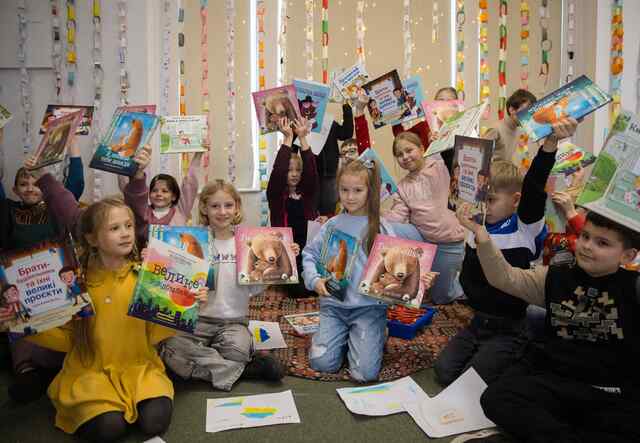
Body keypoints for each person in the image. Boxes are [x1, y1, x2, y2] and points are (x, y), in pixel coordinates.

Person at [26, 164, 189, 441]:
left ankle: (136, 402)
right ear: (91, 238)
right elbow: (67, 339)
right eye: (114, 228)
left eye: (128, 226)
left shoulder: (144, 275)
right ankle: (99, 406)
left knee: (155, 423)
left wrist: (184, 305)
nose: (126, 233)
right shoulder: (76, 283)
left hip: (140, 368)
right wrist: (28, 323)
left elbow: (156, 334)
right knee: (109, 429)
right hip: (91, 372)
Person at [456, 209, 640, 443]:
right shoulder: (555, 277)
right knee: (497, 398)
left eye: (602, 243)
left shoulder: (634, 287)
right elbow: (505, 278)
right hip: (556, 381)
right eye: (585, 236)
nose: (587, 246)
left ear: (627, 255)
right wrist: (481, 234)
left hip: (609, 392)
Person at [433, 118, 579, 386]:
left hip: (509, 326)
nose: (484, 205)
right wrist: (444, 144)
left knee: (471, 382)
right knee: (443, 372)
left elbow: (534, 186)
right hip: (477, 321)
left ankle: (524, 348)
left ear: (515, 201)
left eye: (491, 200)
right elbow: (460, 175)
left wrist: (549, 145)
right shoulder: (475, 219)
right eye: (481, 197)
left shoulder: (524, 225)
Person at [302, 158, 435, 382]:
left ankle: (376, 333)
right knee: (321, 363)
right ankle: (342, 337)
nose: (350, 196)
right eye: (344, 190)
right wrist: (315, 281)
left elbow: (400, 268)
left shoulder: (382, 228)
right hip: (333, 307)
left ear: (369, 191)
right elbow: (309, 254)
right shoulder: (332, 225)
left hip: (369, 309)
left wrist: (422, 281)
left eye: (357, 190)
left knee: (364, 374)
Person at [159, 180, 288, 391]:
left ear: (237, 207)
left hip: (233, 323)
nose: (222, 212)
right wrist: (154, 259)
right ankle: (245, 370)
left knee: (236, 350)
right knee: (170, 346)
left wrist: (272, 270)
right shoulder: (193, 241)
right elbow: (176, 285)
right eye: (215, 206)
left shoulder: (247, 242)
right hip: (196, 321)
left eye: (228, 205)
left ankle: (209, 364)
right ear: (204, 208)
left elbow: (253, 289)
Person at [0, 142, 85, 404]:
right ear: (14, 190)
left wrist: (73, 145)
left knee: (64, 321)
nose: (29, 188)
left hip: (57, 278)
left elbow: (76, 184)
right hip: (21, 283)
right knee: (18, 316)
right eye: (23, 184)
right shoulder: (8, 210)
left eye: (35, 183)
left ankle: (60, 366)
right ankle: (26, 372)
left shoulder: (55, 208)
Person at [385, 131, 466, 305]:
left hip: (449, 243)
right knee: (384, 228)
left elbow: (458, 167)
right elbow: (397, 217)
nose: (405, 157)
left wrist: (445, 144)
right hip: (423, 241)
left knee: (441, 298)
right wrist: (374, 212)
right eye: (399, 154)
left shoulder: (440, 166)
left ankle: (459, 282)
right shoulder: (402, 186)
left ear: (422, 149)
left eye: (409, 150)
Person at [267, 117, 318, 297]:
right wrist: (288, 138)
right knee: (299, 289)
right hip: (287, 252)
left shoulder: (307, 194)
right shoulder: (276, 196)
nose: (294, 174)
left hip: (309, 250)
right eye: (290, 170)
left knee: (321, 283)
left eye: (298, 170)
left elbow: (311, 170)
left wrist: (302, 137)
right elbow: (278, 171)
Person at [122, 146, 201, 247]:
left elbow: (190, 184)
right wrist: (124, 161)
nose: (159, 194)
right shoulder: (143, 212)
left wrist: (198, 155)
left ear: (173, 196)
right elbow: (132, 190)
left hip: (175, 260)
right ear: (148, 194)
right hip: (145, 259)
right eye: (154, 190)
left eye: (165, 191)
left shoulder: (180, 211)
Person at [316, 102, 354, 216]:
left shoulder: (328, 123)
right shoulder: (303, 124)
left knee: (328, 212)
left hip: (330, 175)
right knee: (312, 215)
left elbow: (346, 133)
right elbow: (294, 148)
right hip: (311, 176)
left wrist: (346, 108)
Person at [484, 89, 537, 165]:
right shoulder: (495, 129)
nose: (529, 116)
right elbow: (481, 159)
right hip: (495, 175)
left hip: (507, 174)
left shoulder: (519, 130)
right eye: (526, 111)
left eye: (531, 112)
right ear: (512, 110)